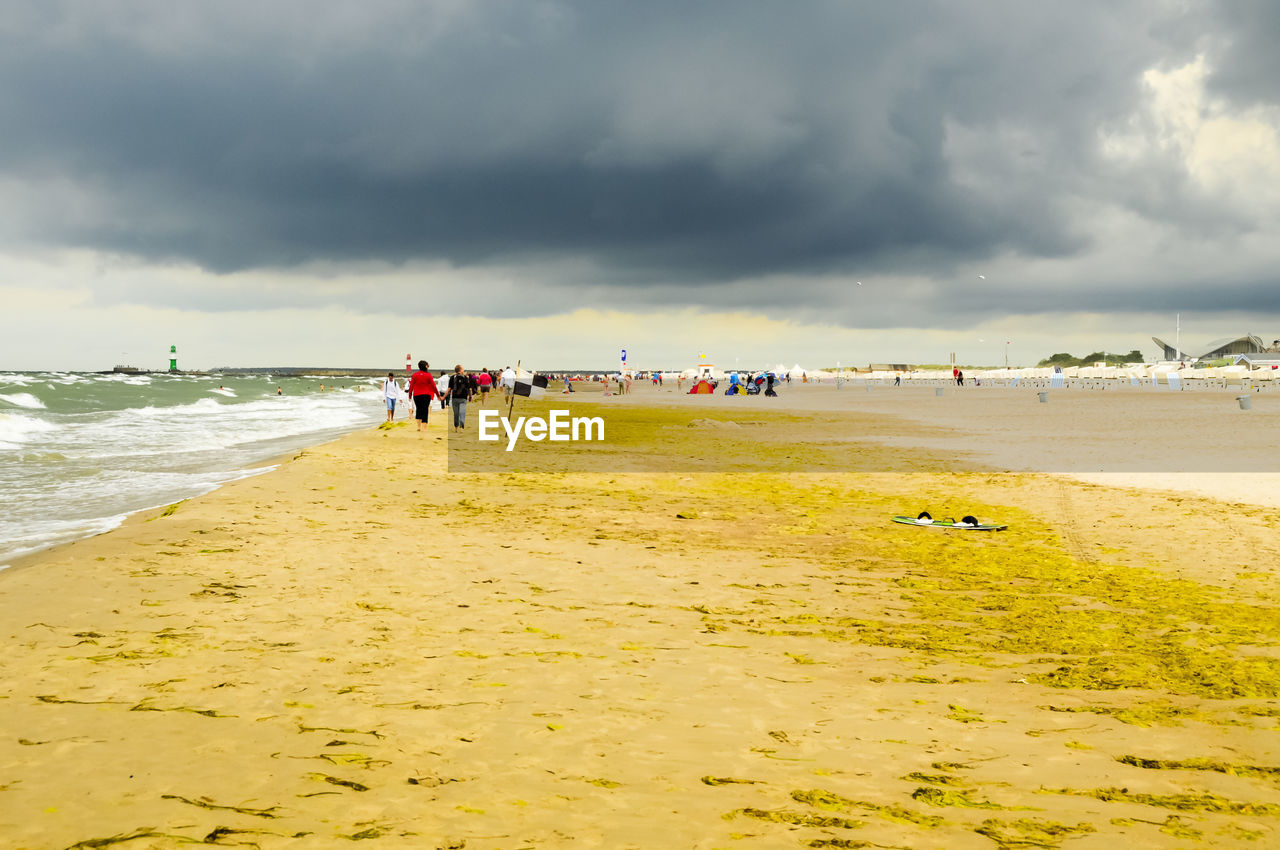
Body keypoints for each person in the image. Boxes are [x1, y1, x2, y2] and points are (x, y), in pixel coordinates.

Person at [407, 360, 438, 432]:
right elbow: (433, 386)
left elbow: (411, 386)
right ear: (425, 366)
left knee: (418, 409)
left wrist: (409, 395)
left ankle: (418, 427)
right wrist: (438, 395)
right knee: (425, 410)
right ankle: (424, 428)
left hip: (417, 395)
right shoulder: (428, 375)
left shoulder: (415, 375)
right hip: (426, 395)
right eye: (427, 365)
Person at [445, 364, 473, 432]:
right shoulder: (465, 378)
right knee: (462, 412)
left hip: (454, 398)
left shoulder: (452, 377)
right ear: (460, 370)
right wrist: (470, 396)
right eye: (463, 369)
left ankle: (456, 428)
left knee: (456, 413)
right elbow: (469, 389)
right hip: (463, 398)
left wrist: (444, 396)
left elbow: (449, 388)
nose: (463, 370)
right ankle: (461, 427)